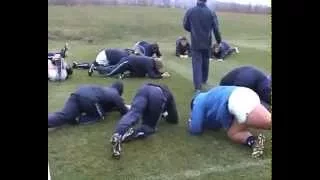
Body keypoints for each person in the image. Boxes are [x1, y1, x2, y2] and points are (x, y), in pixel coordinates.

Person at [188, 86, 271, 158]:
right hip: (246, 93)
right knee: (233, 133)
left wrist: (191, 120)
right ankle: (253, 142)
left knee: (268, 122)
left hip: (236, 100)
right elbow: (215, 124)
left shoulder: (198, 101)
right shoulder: (212, 94)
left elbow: (195, 129)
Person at [110, 83, 179, 159]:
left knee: (132, 114)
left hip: (143, 89)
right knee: (149, 127)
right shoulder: (168, 94)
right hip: (157, 94)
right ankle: (130, 134)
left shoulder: (151, 86)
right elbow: (174, 119)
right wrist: (165, 114)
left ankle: (117, 134)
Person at [48, 81, 129, 129]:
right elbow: (124, 111)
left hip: (77, 93)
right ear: (120, 91)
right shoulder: (115, 94)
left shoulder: (105, 90)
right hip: (89, 99)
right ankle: (77, 119)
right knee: (100, 116)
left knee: (64, 115)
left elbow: (104, 105)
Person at [183, 0, 222, 92]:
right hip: (207, 41)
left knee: (196, 64)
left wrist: (192, 29)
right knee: (205, 62)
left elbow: (185, 25)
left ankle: (198, 86)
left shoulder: (191, 11)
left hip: (195, 41)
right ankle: (204, 80)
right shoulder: (211, 12)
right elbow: (216, 28)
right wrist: (219, 40)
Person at [92, 55, 171, 79]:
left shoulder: (151, 62)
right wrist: (161, 76)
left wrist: (162, 73)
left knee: (142, 74)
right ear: (157, 65)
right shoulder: (150, 64)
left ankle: (98, 68)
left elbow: (154, 71)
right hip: (126, 62)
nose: (158, 69)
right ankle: (95, 68)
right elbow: (152, 75)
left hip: (130, 63)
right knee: (111, 71)